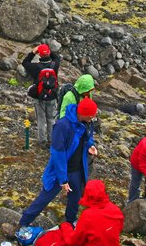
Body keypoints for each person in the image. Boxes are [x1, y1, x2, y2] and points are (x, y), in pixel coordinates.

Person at [18, 97, 99, 229]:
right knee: (46, 196)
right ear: (82, 113)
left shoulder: (87, 123)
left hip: (78, 169)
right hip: (60, 170)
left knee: (75, 198)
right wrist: (63, 179)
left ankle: (70, 222)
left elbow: (88, 138)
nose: (93, 118)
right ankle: (24, 221)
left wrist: (90, 145)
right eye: (91, 116)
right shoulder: (62, 126)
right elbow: (58, 154)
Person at [63, 179, 124, 246]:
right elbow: (118, 229)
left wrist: (66, 227)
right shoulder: (115, 210)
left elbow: (73, 241)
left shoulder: (88, 215)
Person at [22, 43, 61, 146]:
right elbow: (57, 57)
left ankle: (42, 141)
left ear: (39, 55)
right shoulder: (55, 65)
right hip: (52, 96)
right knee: (51, 119)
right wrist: (48, 50)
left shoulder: (35, 67)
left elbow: (25, 62)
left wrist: (34, 52)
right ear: (48, 52)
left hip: (39, 97)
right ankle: (51, 140)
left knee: (41, 119)